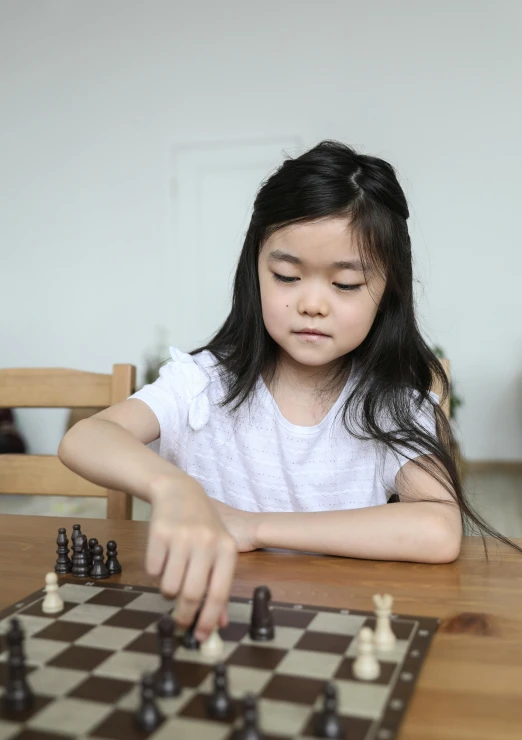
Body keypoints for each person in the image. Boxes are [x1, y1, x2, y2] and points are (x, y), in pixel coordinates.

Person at [58, 140, 520, 644]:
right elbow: (87, 437)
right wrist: (174, 487)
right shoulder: (204, 384)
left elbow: (438, 530)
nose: (312, 304)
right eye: (287, 276)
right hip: (212, 625)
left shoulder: (392, 403)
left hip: (336, 631)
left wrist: (252, 527)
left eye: (345, 284)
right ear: (255, 271)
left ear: (388, 290)